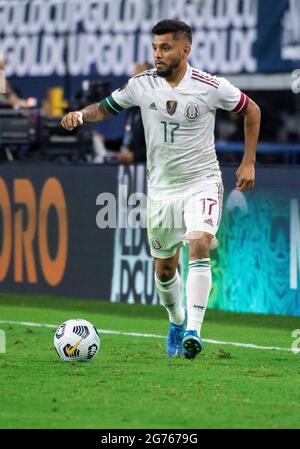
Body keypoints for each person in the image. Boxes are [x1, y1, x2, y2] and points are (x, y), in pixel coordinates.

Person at [61, 20, 261, 360]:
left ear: (185, 50)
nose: (158, 54)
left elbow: (251, 110)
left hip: (202, 182)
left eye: (165, 48)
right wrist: (80, 115)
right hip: (161, 191)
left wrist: (248, 162)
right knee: (165, 269)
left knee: (199, 243)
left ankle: (195, 332)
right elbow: (106, 107)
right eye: (155, 48)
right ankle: (178, 320)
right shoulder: (142, 85)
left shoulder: (210, 86)